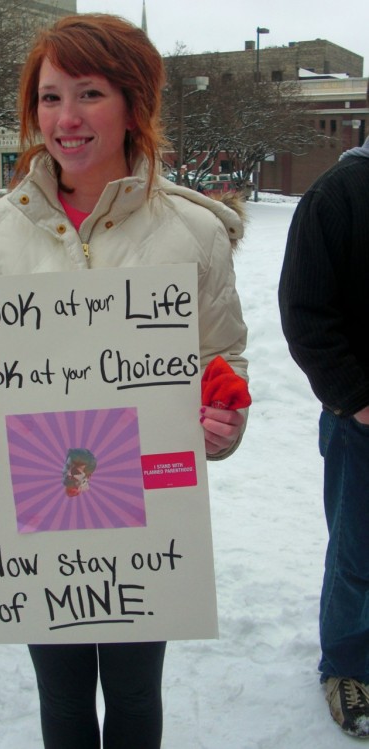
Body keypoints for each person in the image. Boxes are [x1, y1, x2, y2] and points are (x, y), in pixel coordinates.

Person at [0, 14, 249, 748]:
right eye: (49, 98)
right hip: (36, 501)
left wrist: (224, 413)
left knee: (137, 694)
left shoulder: (192, 234)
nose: (66, 119)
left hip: (146, 505)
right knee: (63, 696)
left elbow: (221, 355)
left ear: (134, 105)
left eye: (89, 93)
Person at [279, 133, 369, 739]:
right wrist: (357, 400)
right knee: (360, 554)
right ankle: (349, 665)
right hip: (361, 423)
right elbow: (305, 310)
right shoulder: (341, 193)